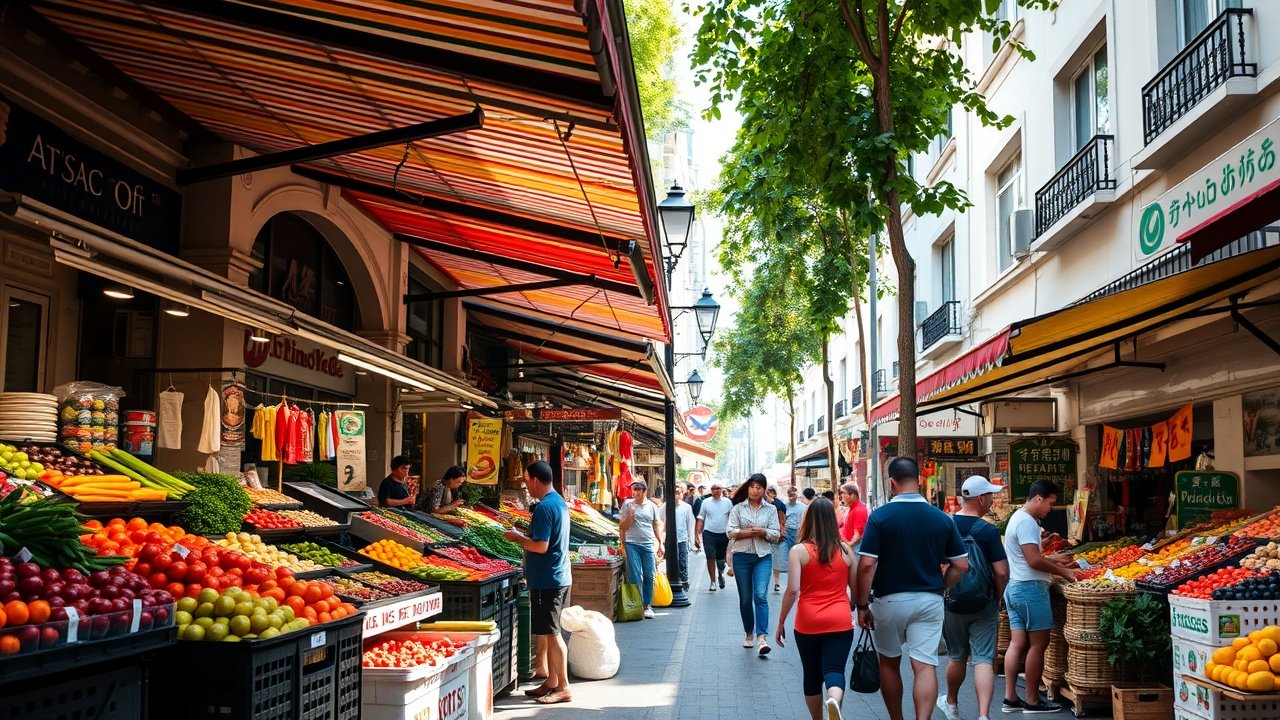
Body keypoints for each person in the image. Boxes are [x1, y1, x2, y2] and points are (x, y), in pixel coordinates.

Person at [855, 457, 970, 720]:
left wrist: (861, 605)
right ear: (919, 480)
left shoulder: (880, 517)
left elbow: (866, 566)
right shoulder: (941, 518)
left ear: (891, 483)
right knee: (925, 665)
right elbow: (961, 565)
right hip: (929, 601)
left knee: (889, 662)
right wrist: (941, 587)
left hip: (889, 601)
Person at [776, 498, 857, 720]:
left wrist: (781, 621)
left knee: (811, 674)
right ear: (832, 520)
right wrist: (857, 607)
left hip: (808, 622)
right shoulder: (846, 551)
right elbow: (855, 588)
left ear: (807, 519)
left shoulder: (798, 551)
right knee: (835, 670)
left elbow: (792, 590)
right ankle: (834, 699)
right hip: (840, 621)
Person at [1002, 480, 1078, 714]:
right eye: (1050, 503)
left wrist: (1054, 560)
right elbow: (1033, 560)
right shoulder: (1027, 522)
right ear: (1038, 498)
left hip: (1015, 587)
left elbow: (1027, 557)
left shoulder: (1016, 517)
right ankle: (1033, 701)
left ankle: (1010, 698)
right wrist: (1063, 572)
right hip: (1030, 590)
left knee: (1017, 643)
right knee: (1038, 644)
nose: (1051, 509)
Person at [938, 477, 1010, 720]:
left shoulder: (946, 525)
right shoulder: (987, 531)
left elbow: (939, 565)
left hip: (953, 601)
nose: (992, 500)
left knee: (957, 655)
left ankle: (952, 705)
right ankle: (983, 715)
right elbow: (1001, 572)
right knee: (983, 659)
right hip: (984, 602)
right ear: (981, 498)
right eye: (990, 496)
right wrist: (997, 598)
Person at [503, 461, 572, 705]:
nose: (526, 486)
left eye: (526, 480)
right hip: (556, 576)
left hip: (548, 579)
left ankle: (563, 687)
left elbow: (541, 546)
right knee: (549, 632)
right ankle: (551, 682)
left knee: (553, 634)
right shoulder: (558, 502)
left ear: (535, 479)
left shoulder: (544, 507)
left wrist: (517, 537)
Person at [728, 474, 782, 655]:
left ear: (764, 489)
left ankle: (762, 637)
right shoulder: (738, 508)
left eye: (759, 487)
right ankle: (749, 633)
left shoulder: (771, 509)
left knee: (760, 596)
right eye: (752, 486)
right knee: (745, 599)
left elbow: (776, 534)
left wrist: (763, 532)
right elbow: (730, 532)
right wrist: (747, 533)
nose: (755, 490)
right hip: (741, 557)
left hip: (763, 556)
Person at [619, 479, 664, 619]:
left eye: (638, 489)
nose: (635, 492)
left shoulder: (652, 506)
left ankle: (647, 605)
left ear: (644, 491)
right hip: (631, 543)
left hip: (647, 543)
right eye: (634, 489)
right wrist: (630, 515)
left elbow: (656, 525)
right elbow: (622, 526)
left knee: (649, 574)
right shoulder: (627, 504)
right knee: (635, 574)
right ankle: (638, 604)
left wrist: (660, 543)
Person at [695, 483, 733, 590]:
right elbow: (701, 517)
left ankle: (720, 574)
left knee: (721, 560)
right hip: (709, 533)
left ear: (721, 490)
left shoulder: (727, 502)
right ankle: (712, 581)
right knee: (710, 556)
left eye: (717, 488)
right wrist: (697, 534)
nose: (715, 490)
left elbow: (732, 516)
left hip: (723, 534)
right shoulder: (706, 502)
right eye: (713, 488)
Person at [674, 484, 697, 591]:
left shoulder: (686, 507)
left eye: (678, 493)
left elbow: (690, 524)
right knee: (672, 562)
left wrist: (692, 541)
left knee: (683, 561)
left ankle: (684, 582)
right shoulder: (665, 507)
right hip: (670, 540)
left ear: (682, 494)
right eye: (674, 493)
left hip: (682, 539)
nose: (676, 495)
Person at [768, 487, 788, 592]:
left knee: (775, 557)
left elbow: (782, 520)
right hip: (773, 534)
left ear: (773, 494)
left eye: (767, 493)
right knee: (775, 557)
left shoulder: (778, 505)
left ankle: (776, 582)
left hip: (774, 534)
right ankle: (776, 582)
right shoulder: (780, 504)